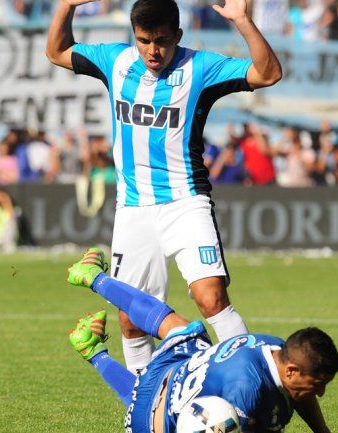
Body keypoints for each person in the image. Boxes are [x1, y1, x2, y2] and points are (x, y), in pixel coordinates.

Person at [46, 0, 282, 373]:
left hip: (186, 202)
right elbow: (57, 51)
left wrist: (242, 22)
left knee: (211, 298)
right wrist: (66, 6)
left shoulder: (200, 67)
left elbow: (267, 74)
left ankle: (250, 383)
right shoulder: (116, 61)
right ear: (133, 36)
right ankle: (146, 410)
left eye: (161, 41)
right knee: (132, 319)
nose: (152, 51)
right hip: (134, 208)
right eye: (143, 41)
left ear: (178, 36)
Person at [65, 248, 338, 433]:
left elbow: (300, 395)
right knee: (152, 404)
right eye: (318, 385)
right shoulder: (246, 392)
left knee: (184, 328)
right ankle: (94, 345)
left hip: (176, 370)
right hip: (151, 423)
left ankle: (94, 290)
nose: (320, 393)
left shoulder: (276, 348)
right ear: (291, 371)